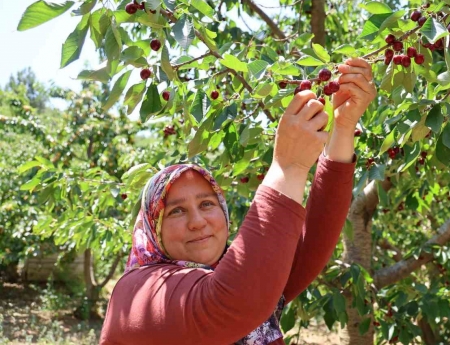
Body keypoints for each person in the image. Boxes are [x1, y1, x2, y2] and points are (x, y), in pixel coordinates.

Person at [100, 58, 377, 344]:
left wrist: (342, 127)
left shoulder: (242, 273)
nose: (198, 222)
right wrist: (287, 167)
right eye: (176, 211)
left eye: (207, 204)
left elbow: (313, 238)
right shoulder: (137, 292)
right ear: (152, 230)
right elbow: (230, 303)